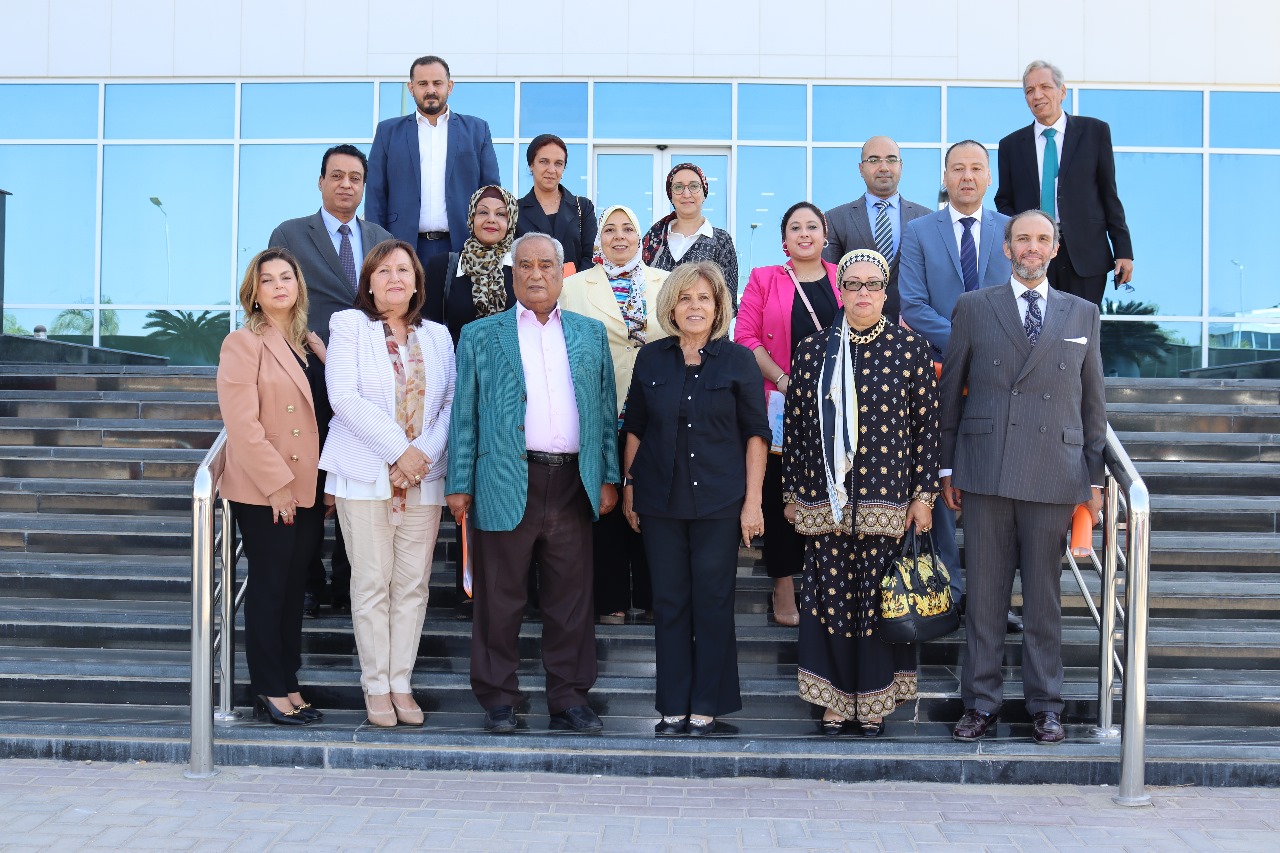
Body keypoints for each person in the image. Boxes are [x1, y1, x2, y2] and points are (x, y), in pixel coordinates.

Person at [942, 210, 1106, 745]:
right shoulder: (974, 307)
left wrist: (1095, 480)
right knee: (985, 599)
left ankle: (1046, 706)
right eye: (1022, 239)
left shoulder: (1082, 313)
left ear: (1055, 249)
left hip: (1055, 472)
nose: (1031, 247)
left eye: (1042, 239)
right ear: (1006, 248)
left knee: (1043, 602)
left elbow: (1093, 402)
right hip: (985, 469)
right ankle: (980, 704)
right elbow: (951, 394)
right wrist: (945, 465)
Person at [446, 233, 620, 735]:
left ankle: (569, 698)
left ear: (562, 272)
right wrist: (459, 482)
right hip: (504, 479)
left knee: (571, 599)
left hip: (572, 481)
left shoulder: (590, 334)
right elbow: (464, 414)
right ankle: (499, 700)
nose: (535, 273)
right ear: (513, 273)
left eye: (546, 264)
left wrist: (608, 475)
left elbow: (604, 411)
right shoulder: (481, 334)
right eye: (525, 265)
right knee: (499, 599)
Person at [781, 248, 939, 738]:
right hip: (824, 499)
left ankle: (873, 703)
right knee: (829, 601)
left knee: (877, 602)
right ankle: (833, 701)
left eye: (873, 284)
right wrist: (791, 493)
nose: (863, 292)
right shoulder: (813, 351)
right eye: (853, 284)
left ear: (885, 293)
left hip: (888, 499)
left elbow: (927, 429)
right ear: (841, 291)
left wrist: (924, 496)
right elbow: (797, 428)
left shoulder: (909, 349)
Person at [621, 260, 770, 737]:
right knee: (668, 602)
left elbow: (756, 435)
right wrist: (629, 486)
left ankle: (706, 703)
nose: (694, 306)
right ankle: (672, 705)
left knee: (713, 601)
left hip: (719, 503)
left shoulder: (739, 361)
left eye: (704, 298)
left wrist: (753, 502)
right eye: (685, 298)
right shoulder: (651, 358)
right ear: (671, 306)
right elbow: (635, 427)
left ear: (719, 306)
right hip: (659, 500)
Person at [319, 239, 456, 728]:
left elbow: (450, 403)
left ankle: (401, 683)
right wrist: (401, 452)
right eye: (383, 271)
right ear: (369, 283)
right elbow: (343, 396)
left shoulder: (438, 335)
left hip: (423, 477)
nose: (394, 278)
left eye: (403, 270)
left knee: (413, 586)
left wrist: (421, 457)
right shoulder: (349, 325)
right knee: (372, 583)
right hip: (365, 475)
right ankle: (376, 686)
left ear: (417, 282)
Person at [269, 143, 393, 616]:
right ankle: (307, 581)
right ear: (320, 182)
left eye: (355, 178)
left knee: (356, 475)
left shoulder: (380, 236)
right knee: (308, 476)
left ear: (364, 186)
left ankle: (347, 582)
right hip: (306, 372)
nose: (346, 184)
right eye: (337, 176)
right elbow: (276, 294)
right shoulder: (290, 234)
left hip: (368, 379)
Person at [898, 140, 1018, 632]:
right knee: (937, 480)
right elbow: (911, 303)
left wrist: (988, 345)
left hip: (999, 379)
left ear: (989, 177)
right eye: (958, 168)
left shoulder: (1011, 230)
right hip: (937, 375)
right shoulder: (918, 231)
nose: (967, 176)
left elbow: (1020, 296)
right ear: (944, 177)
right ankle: (946, 592)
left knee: (996, 488)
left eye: (976, 168)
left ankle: (994, 601)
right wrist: (969, 340)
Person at [216, 248, 328, 726]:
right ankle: (268, 687)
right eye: (268, 280)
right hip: (267, 488)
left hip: (310, 483)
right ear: (254, 293)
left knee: (293, 586)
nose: (279, 285)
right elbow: (242, 426)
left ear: (299, 286)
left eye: (287, 277)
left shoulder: (311, 343)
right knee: (269, 586)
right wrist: (277, 485)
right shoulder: (242, 344)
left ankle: (288, 680)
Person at [561, 205, 672, 626]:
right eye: (610, 230)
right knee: (603, 502)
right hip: (597, 407)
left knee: (651, 502)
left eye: (628, 229)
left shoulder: (666, 283)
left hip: (655, 409)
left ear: (640, 238)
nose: (619, 236)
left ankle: (652, 595)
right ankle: (609, 598)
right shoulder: (573, 286)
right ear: (599, 239)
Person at [735, 202, 842, 627]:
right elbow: (745, 337)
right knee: (782, 493)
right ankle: (782, 585)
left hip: (836, 406)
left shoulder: (844, 278)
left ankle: (823, 580)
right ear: (784, 240)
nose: (804, 233)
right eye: (795, 227)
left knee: (830, 488)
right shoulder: (765, 278)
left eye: (812, 226)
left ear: (825, 235)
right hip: (781, 403)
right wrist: (782, 380)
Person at [995, 60, 1134, 305]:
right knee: (1035, 324)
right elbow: (1004, 200)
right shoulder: (1011, 145)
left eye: (1045, 87)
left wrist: (1123, 250)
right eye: (1030, 90)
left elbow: (1108, 193)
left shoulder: (1095, 132)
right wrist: (1020, 237)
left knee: (1081, 326)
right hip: (1035, 253)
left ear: (1062, 91)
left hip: (1085, 254)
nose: (1037, 95)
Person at [366, 55, 501, 266]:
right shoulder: (388, 132)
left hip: (464, 247)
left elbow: (491, 192)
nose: (431, 90)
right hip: (401, 248)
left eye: (437, 83)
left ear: (450, 86)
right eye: (423, 84)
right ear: (411, 88)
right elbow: (375, 194)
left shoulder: (477, 130)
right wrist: (379, 248)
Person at [822, 136, 932, 324]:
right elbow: (831, 282)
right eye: (874, 160)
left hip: (912, 328)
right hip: (856, 328)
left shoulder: (926, 219)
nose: (883, 167)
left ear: (901, 166)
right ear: (861, 168)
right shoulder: (835, 219)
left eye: (891, 159)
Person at [423, 185, 518, 346]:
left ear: (511, 221)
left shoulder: (522, 268)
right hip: (456, 361)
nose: (491, 219)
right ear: (471, 217)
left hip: (510, 361)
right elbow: (429, 331)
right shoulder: (442, 267)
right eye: (483, 212)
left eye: (501, 214)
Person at [641, 164, 739, 304]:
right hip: (654, 318)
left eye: (694, 186)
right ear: (671, 195)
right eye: (678, 187)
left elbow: (728, 302)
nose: (686, 194)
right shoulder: (653, 239)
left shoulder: (721, 241)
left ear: (704, 193)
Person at [516, 134, 597, 274]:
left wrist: (573, 283)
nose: (551, 170)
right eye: (544, 162)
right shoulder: (515, 211)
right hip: (531, 285)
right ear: (531, 165)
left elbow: (591, 256)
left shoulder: (583, 207)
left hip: (575, 286)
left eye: (558, 163)